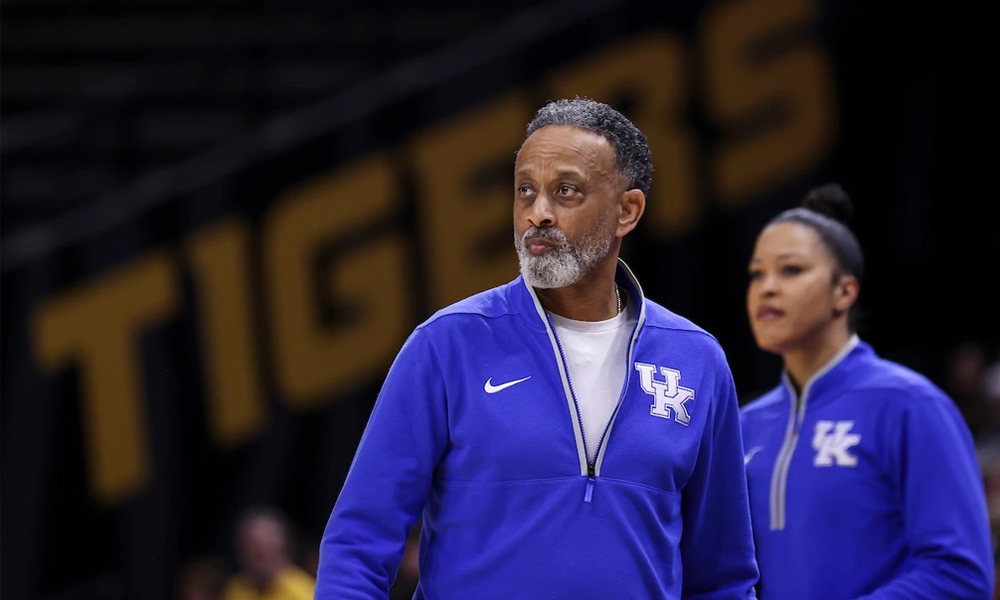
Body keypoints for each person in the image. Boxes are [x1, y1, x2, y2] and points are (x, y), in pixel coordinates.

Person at [315, 97, 758, 599]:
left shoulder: (696, 359)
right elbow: (358, 543)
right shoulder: (446, 344)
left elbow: (723, 576)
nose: (537, 214)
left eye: (565, 191)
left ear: (627, 211)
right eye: (526, 190)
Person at [740, 183, 993, 599]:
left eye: (791, 270)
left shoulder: (910, 405)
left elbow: (960, 574)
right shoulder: (746, 427)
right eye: (756, 273)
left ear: (844, 291)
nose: (767, 287)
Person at [221, 506, 315, 600]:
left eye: (260, 554)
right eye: (248, 552)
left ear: (282, 549)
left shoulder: (303, 593)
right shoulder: (236, 588)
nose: (254, 563)